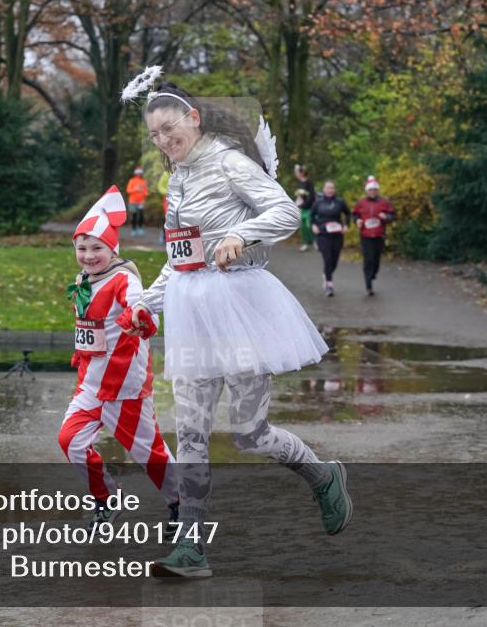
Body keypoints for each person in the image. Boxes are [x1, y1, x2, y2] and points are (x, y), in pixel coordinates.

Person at [121, 76, 352, 578]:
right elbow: (179, 257)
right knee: (192, 433)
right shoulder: (177, 179)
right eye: (154, 134)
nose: (162, 140)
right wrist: (147, 305)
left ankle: (323, 476)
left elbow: (285, 211)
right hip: (191, 310)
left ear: (193, 118)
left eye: (169, 128)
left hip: (238, 308)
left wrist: (240, 235)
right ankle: (192, 549)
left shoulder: (228, 162)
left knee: (249, 433)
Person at [60, 185, 179, 529]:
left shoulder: (124, 278)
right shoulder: (84, 277)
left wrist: (139, 318)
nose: (88, 254)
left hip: (124, 384)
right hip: (90, 383)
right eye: (82, 248)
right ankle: (106, 498)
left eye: (96, 248)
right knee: (71, 441)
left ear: (112, 249)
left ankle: (181, 503)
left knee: (148, 453)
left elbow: (143, 307)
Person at [352, 176, 395, 296]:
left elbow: (392, 215)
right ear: (367, 191)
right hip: (365, 235)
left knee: (376, 259)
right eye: (370, 190)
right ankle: (368, 285)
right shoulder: (361, 203)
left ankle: (373, 273)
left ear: (377, 191)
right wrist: (357, 221)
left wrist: (386, 217)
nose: (373, 192)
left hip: (379, 235)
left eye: (375, 190)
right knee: (368, 259)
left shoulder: (384, 202)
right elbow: (354, 215)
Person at [310, 180, 352, 297]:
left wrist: (346, 225)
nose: (330, 190)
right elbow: (311, 215)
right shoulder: (318, 203)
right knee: (327, 258)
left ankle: (326, 274)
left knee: (334, 260)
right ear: (324, 189)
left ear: (334, 190)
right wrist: (314, 225)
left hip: (337, 234)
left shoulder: (340, 202)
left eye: (332, 188)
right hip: (323, 235)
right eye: (328, 188)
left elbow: (348, 214)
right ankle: (329, 285)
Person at [294, 164, 316, 252]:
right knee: (302, 226)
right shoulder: (299, 183)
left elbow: (311, 196)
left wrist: (305, 204)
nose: (296, 174)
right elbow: (298, 195)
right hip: (300, 207)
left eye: (297, 172)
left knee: (309, 224)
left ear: (302, 173)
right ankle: (305, 243)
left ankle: (314, 241)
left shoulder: (309, 182)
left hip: (308, 207)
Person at [126, 167, 148, 236]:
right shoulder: (132, 180)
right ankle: (134, 229)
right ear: (135, 173)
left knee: (141, 215)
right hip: (133, 201)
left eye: (140, 173)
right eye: (137, 173)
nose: (139, 174)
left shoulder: (143, 181)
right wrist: (136, 189)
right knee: (134, 215)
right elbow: (128, 190)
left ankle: (140, 229)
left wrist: (144, 192)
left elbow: (146, 192)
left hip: (141, 201)